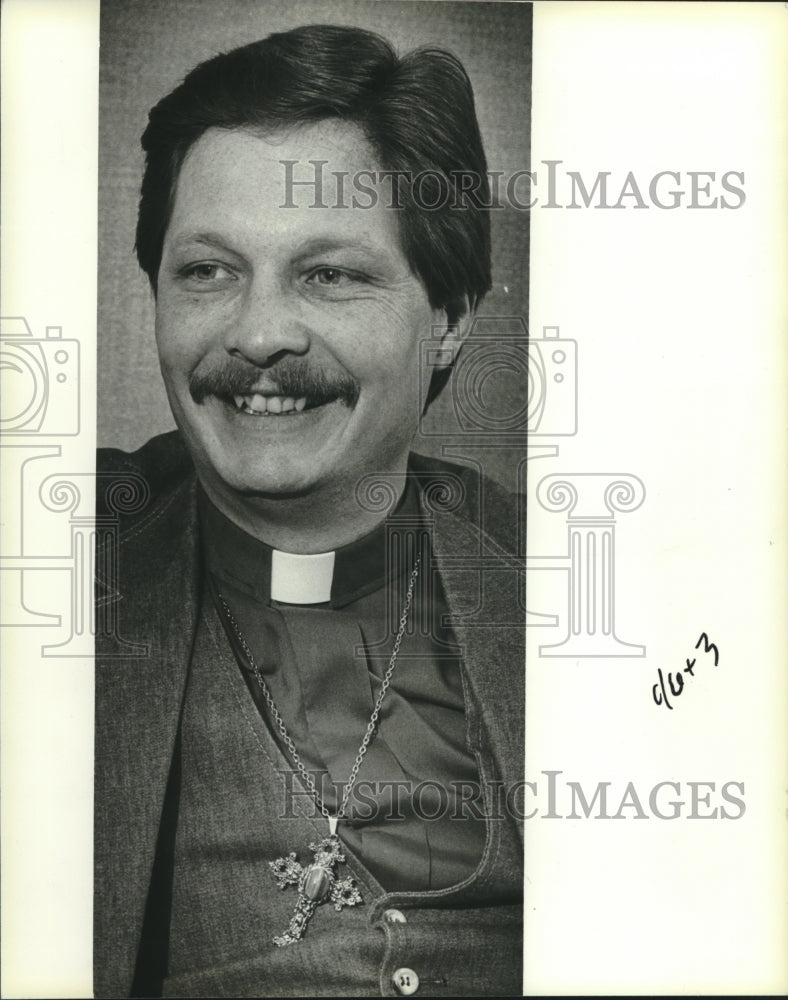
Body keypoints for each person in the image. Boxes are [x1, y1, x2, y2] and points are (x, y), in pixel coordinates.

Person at [95, 24, 525, 998]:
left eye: (329, 274)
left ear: (450, 313)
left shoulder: (575, 580)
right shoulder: (64, 551)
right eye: (207, 270)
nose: (257, 335)